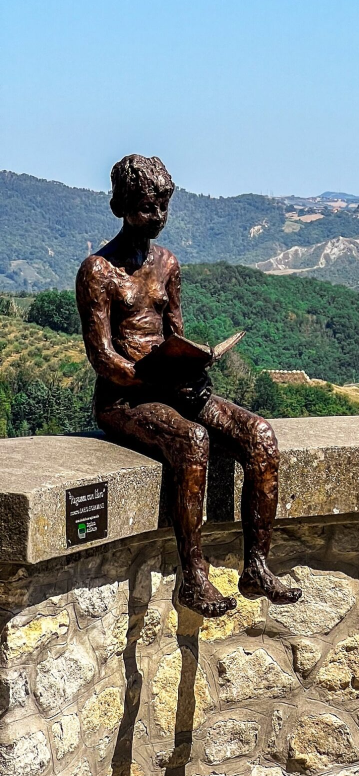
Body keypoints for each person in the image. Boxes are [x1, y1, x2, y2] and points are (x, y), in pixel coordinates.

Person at [76, 154, 301, 617]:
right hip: (123, 399)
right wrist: (148, 378)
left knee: (259, 436)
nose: (156, 217)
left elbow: (176, 336)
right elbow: (102, 357)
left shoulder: (168, 265)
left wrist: (193, 368)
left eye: (162, 207)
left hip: (172, 385)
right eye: (145, 207)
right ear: (121, 206)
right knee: (193, 440)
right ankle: (192, 578)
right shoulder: (98, 272)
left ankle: (256, 565)